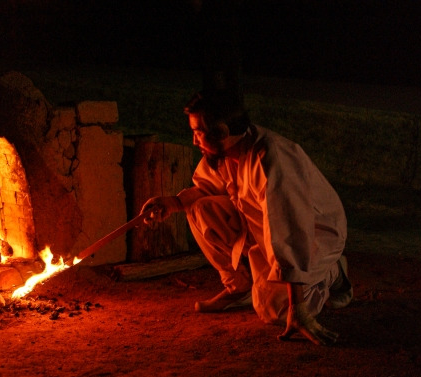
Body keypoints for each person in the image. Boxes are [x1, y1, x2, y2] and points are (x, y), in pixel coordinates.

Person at [141, 91, 353, 346]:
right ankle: (239, 287)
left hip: (315, 235)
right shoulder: (226, 151)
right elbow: (208, 187)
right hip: (264, 229)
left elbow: (290, 229)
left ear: (220, 132)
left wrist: (298, 309)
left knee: (275, 310)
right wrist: (173, 203)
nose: (194, 140)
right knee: (198, 208)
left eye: (198, 132)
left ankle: (333, 272)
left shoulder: (272, 160)